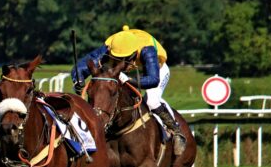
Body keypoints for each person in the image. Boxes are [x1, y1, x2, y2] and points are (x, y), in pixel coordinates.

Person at [72, 24, 186, 156]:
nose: (122, 60)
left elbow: (153, 79)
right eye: (118, 57)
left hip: (155, 70)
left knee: (152, 101)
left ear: (134, 52)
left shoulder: (147, 50)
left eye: (125, 57)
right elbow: (81, 66)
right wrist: (78, 79)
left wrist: (130, 80)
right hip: (126, 71)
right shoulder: (110, 46)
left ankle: (176, 130)